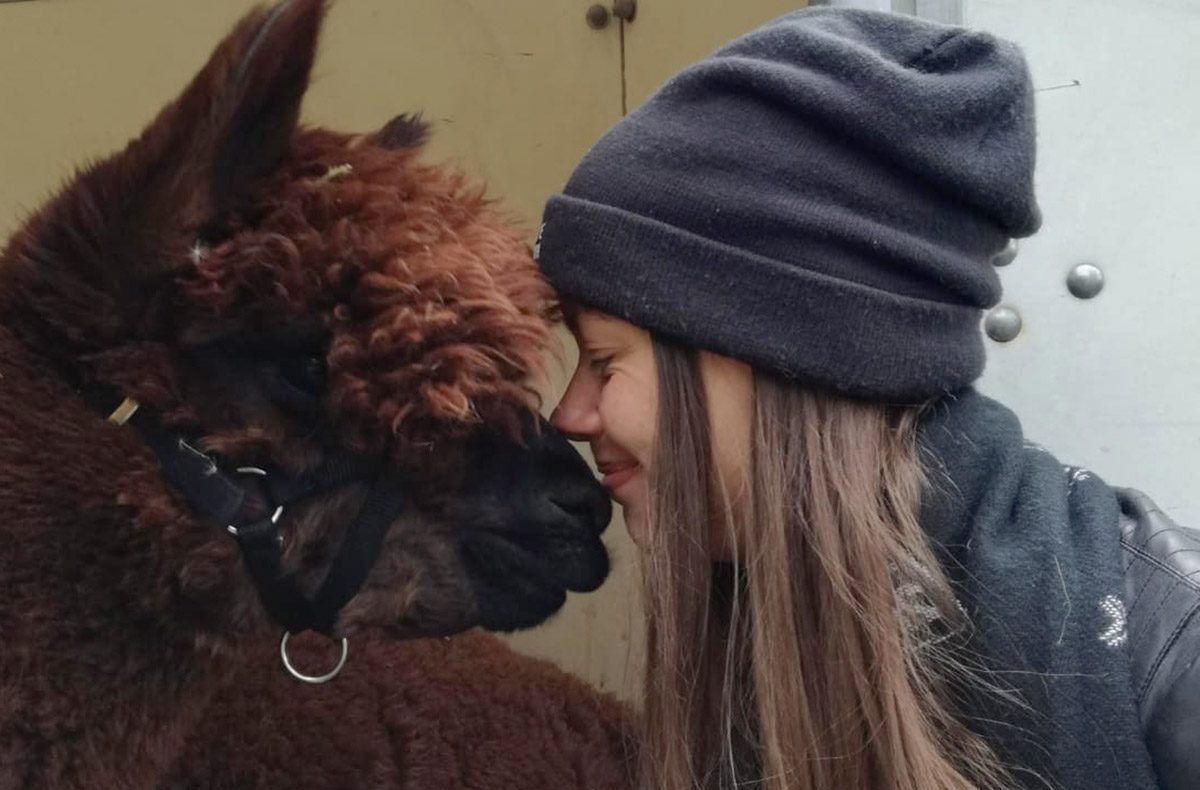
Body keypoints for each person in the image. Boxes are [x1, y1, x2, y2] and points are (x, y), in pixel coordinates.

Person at [533, 8, 1198, 790]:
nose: (568, 416)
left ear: (781, 351)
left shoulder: (1173, 658)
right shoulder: (757, 621)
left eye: (605, 361)